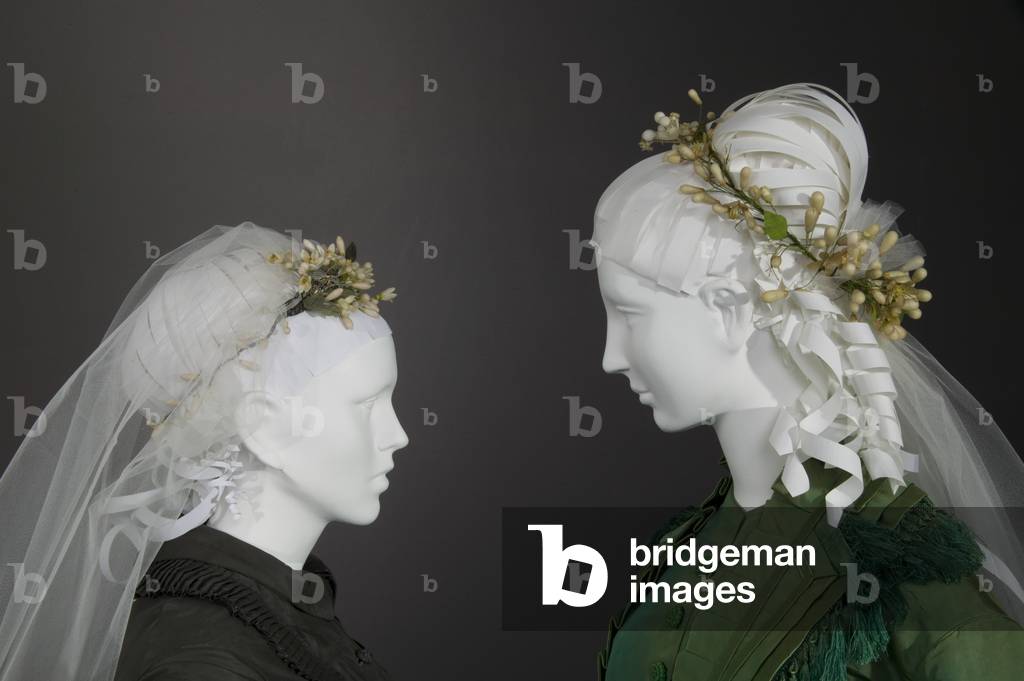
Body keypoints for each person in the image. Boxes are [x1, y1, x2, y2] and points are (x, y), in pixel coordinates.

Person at [590, 83, 1024, 680]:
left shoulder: (898, 573)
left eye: (630, 314)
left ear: (732, 309)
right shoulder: (695, 546)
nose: (610, 357)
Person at [0, 223, 406, 680]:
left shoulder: (268, 598)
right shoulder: (202, 660)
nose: (398, 435)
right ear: (263, 428)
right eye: (366, 406)